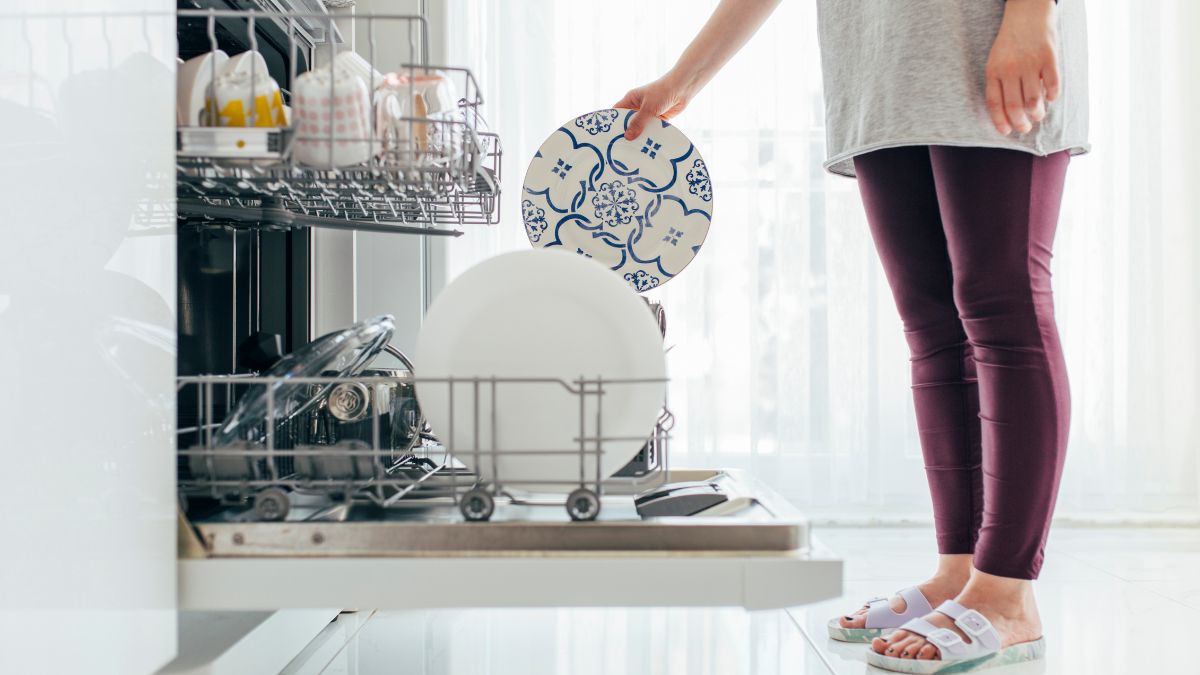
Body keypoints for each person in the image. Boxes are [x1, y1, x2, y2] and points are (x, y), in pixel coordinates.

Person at [615, 0, 1088, 670]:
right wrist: (683, 82)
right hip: (878, 66)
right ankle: (961, 571)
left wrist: (1032, 13)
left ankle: (1007, 593)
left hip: (988, 33)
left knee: (1002, 307)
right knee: (933, 330)